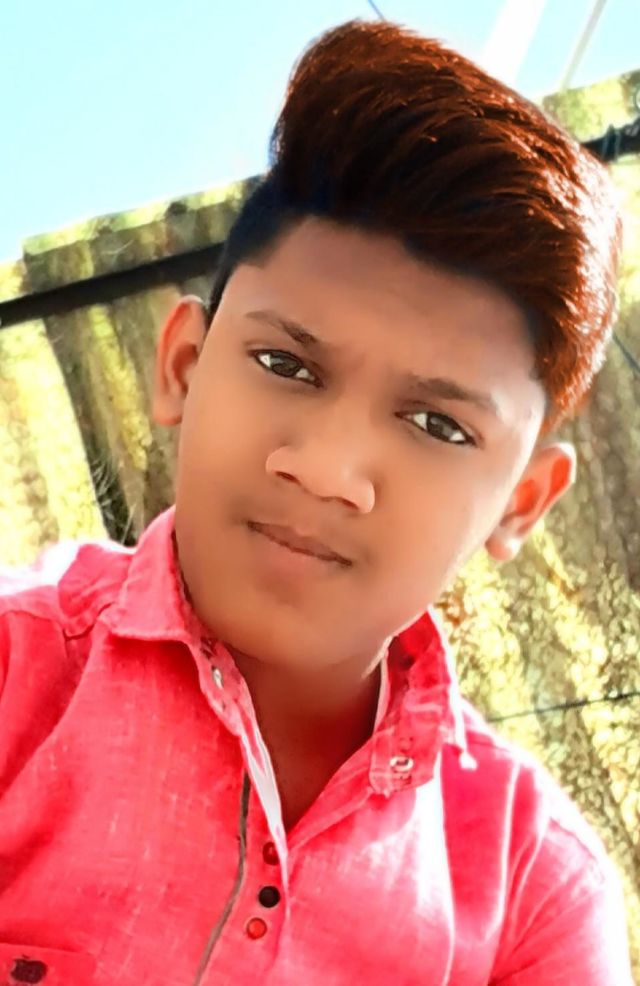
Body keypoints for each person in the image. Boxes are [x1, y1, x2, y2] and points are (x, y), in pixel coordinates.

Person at [0, 18, 633, 986]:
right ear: (182, 367)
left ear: (521, 501)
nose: (330, 469)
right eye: (285, 364)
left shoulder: (534, 894)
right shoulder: (16, 684)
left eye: (437, 424)